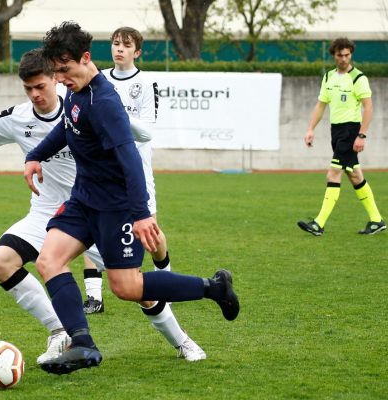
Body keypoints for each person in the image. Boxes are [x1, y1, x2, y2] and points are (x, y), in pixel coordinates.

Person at [0, 49, 206, 363]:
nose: (35, 94)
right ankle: (59, 332)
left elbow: (135, 137)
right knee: (0, 261)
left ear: (56, 78)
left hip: (99, 211)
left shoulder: (84, 103)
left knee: (134, 289)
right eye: (28, 88)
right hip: (51, 215)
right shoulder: (16, 120)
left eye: (40, 85)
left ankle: (183, 341)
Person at [24, 21, 239, 375]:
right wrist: (35, 154)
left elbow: (130, 158)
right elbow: (68, 127)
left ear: (85, 58)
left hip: (116, 209)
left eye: (64, 70)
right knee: (48, 261)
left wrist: (141, 214)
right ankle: (84, 345)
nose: (60, 78)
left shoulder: (105, 102)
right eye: (56, 71)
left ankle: (214, 288)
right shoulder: (77, 92)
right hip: (84, 200)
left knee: (127, 287)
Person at [82, 26, 171, 315]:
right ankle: (94, 296)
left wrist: (116, 113)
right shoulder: (99, 79)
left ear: (137, 51)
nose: (119, 49)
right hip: (102, 167)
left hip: (136, 167)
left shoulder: (147, 84)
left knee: (151, 233)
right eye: (116, 43)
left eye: (126, 45)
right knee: (90, 227)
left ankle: (166, 279)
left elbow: (147, 132)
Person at [297, 37, 385, 236]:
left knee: (333, 173)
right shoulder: (328, 77)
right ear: (334, 55)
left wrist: (361, 135)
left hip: (350, 131)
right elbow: (321, 105)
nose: (344, 59)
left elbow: (368, 107)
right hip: (336, 132)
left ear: (351, 54)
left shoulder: (358, 78)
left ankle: (318, 224)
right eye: (340, 55)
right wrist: (310, 128)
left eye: (347, 55)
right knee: (354, 175)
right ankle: (377, 220)